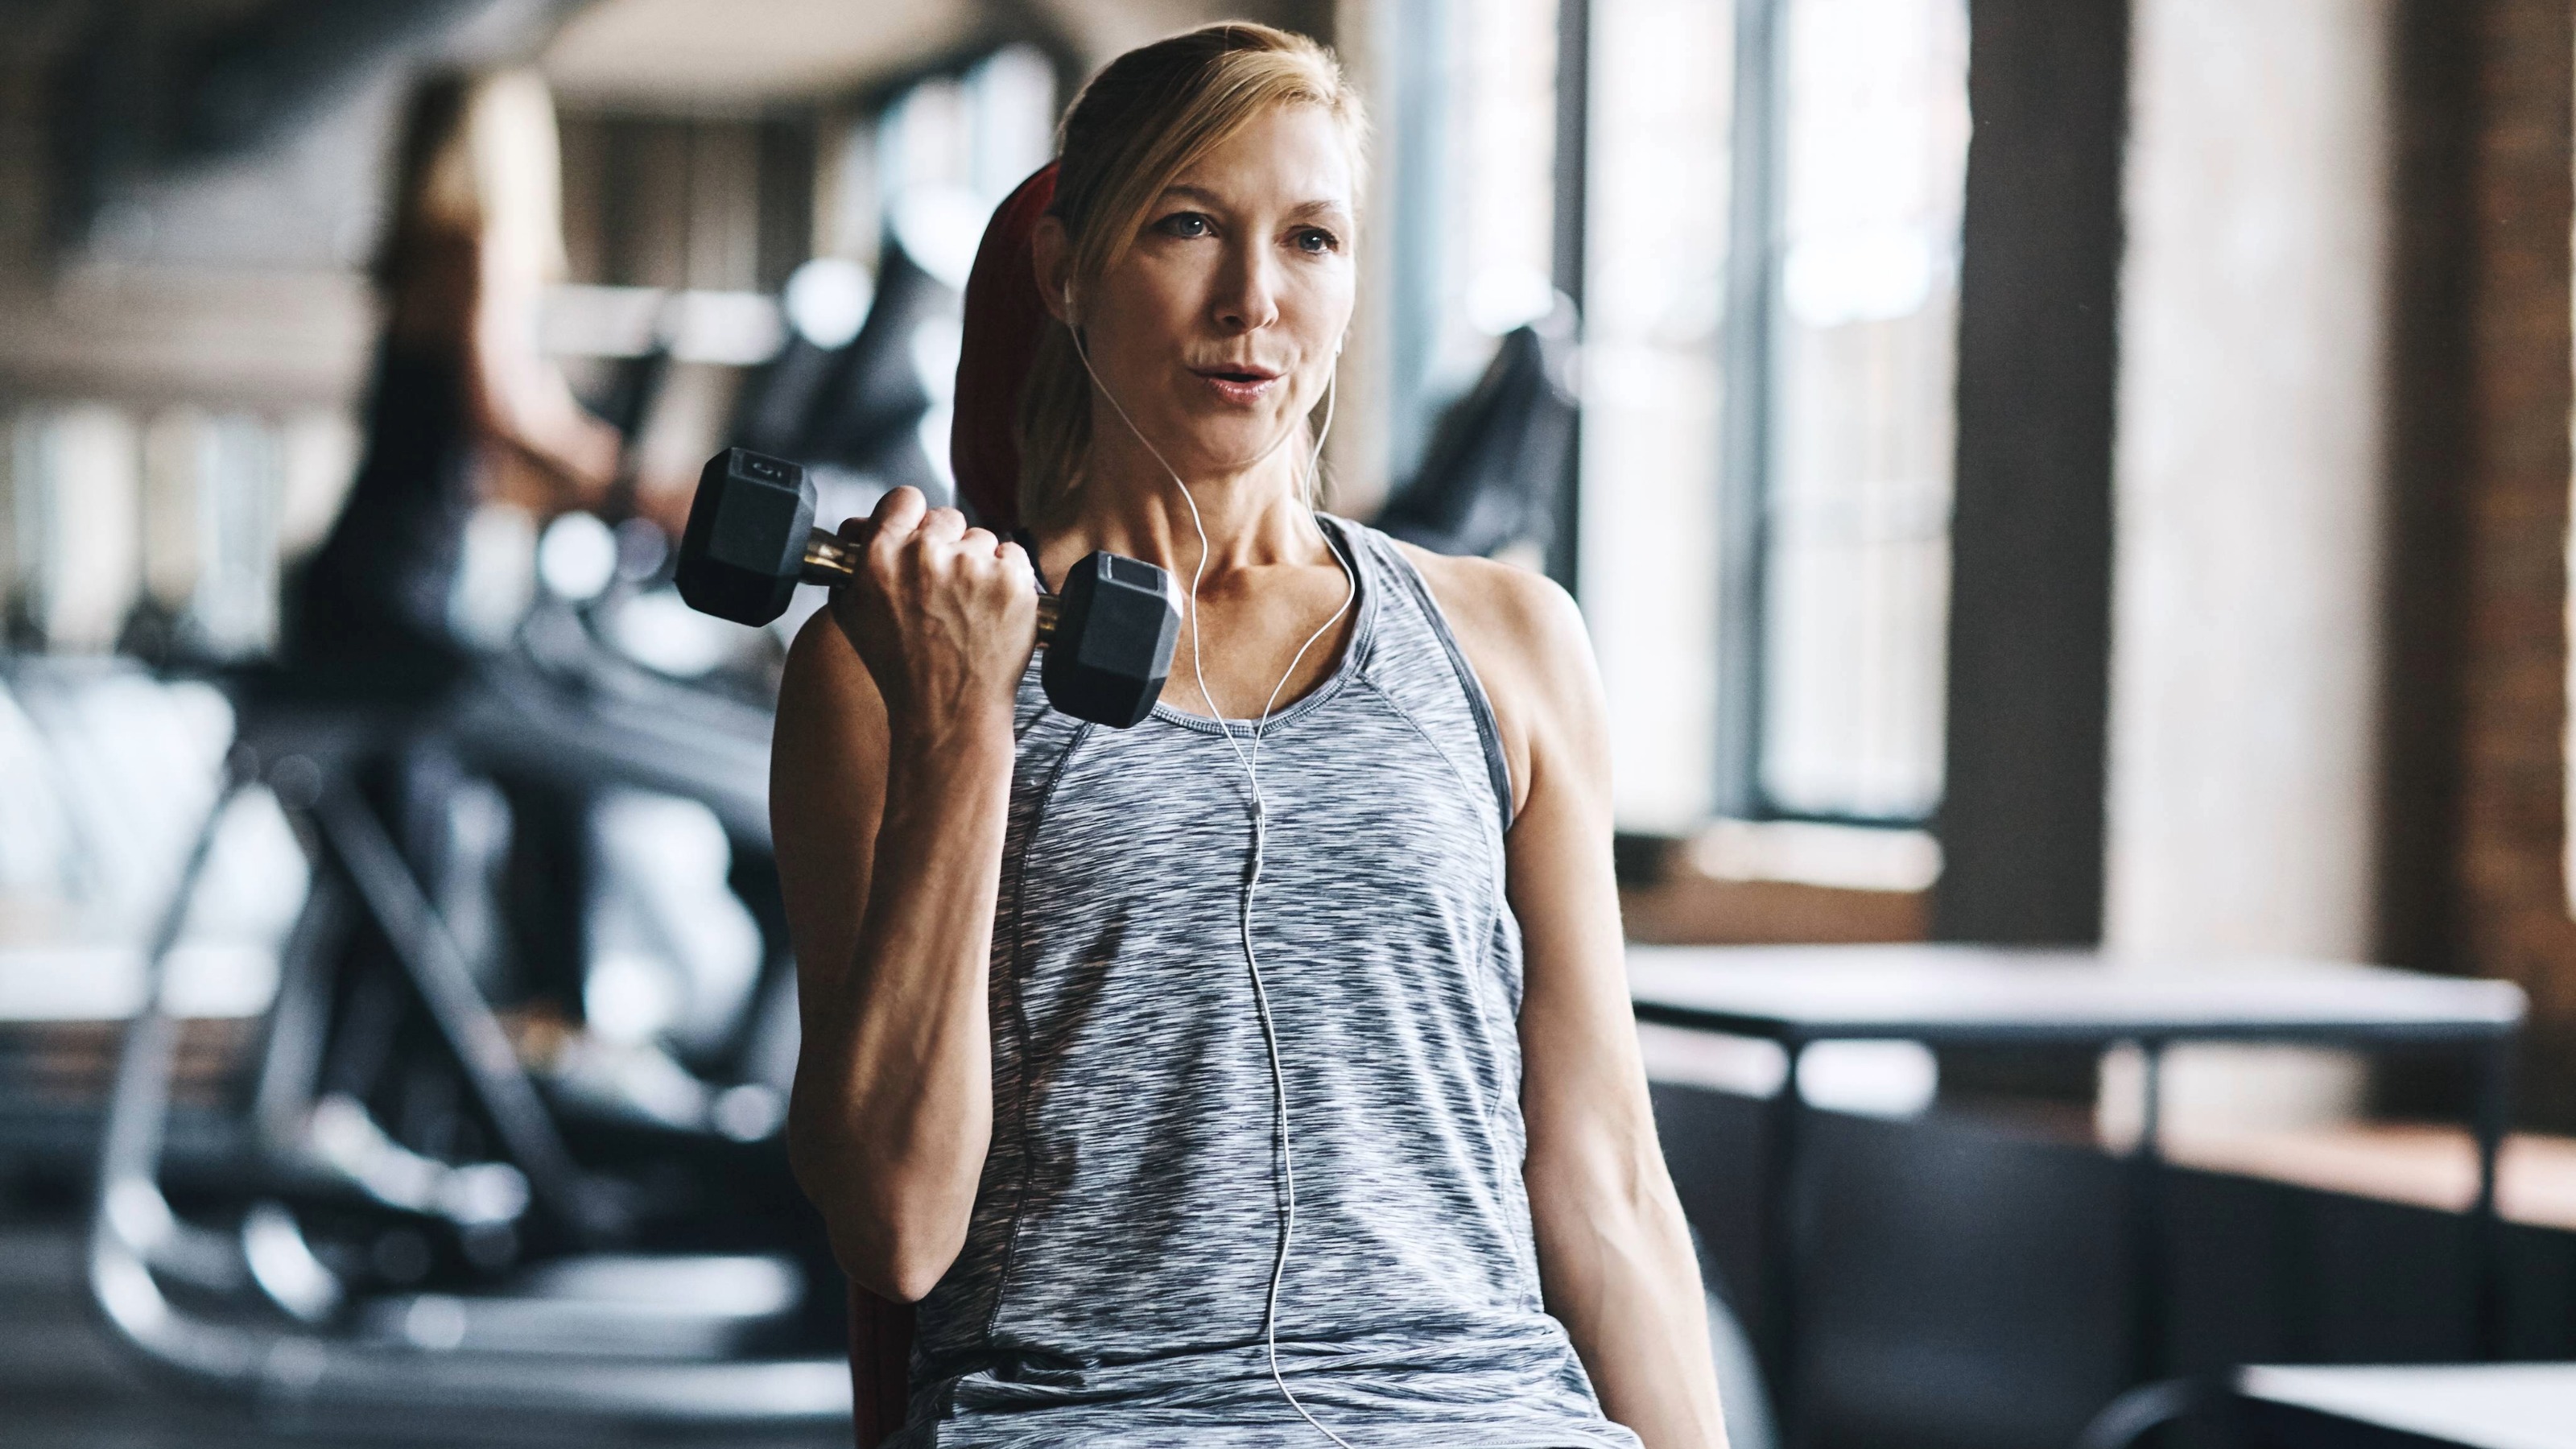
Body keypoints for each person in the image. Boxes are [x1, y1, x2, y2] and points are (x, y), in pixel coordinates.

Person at [772, 24, 1729, 1448]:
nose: (1253, 300)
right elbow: (897, 1232)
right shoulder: (885, 669)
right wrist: (970, 722)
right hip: (1095, 1420)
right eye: (1187, 226)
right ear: (1067, 271)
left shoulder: (1511, 645)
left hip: (1486, 1414)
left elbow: (1607, 1185)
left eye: (1312, 240)